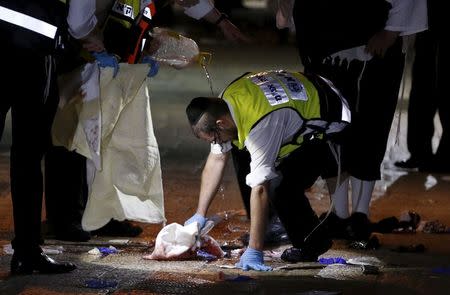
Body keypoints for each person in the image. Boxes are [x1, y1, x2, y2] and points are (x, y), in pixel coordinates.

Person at [43, 0, 251, 242]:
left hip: (111, 62)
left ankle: (103, 215)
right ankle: (64, 220)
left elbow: (185, 4)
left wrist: (220, 21)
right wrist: (96, 48)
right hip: (75, 58)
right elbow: (79, 23)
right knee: (71, 138)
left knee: (108, 141)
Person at [184, 70, 351, 271]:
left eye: (215, 138)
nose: (216, 144)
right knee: (237, 146)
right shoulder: (225, 102)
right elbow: (218, 157)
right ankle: (268, 223)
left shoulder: (261, 124)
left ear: (220, 124)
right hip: (300, 101)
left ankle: (312, 242)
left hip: (330, 119)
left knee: (281, 187)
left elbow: (260, 188)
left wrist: (255, 249)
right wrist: (200, 214)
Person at [290, 0, 428, 241]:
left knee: (371, 120)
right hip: (320, 30)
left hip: (368, 26)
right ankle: (339, 213)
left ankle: (360, 213)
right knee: (329, 122)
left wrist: (392, 29)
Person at [0, 0, 86, 274]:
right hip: (35, 55)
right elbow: (80, 20)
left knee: (28, 156)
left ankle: (28, 251)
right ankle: (26, 252)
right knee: (28, 158)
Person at [394, 0, 448, 173]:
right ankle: (419, 153)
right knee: (422, 89)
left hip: (431, 23)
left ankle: (443, 156)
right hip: (428, 24)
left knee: (438, 89)